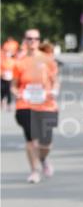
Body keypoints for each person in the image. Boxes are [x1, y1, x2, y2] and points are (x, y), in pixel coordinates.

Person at [12, 28, 59, 183]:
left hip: (46, 104)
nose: (32, 41)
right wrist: (16, 92)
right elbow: (14, 85)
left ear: (39, 41)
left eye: (36, 39)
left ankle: (43, 159)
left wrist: (54, 90)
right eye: (29, 38)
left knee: (46, 143)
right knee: (31, 140)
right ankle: (34, 171)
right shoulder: (19, 62)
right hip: (25, 104)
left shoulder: (47, 59)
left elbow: (55, 80)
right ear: (25, 40)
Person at [1, 37, 18, 110]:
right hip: (3, 76)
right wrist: (1, 74)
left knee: (9, 91)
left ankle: (9, 103)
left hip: (10, 77)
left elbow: (15, 69)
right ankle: (2, 101)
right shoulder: (3, 60)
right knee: (2, 90)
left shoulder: (14, 60)